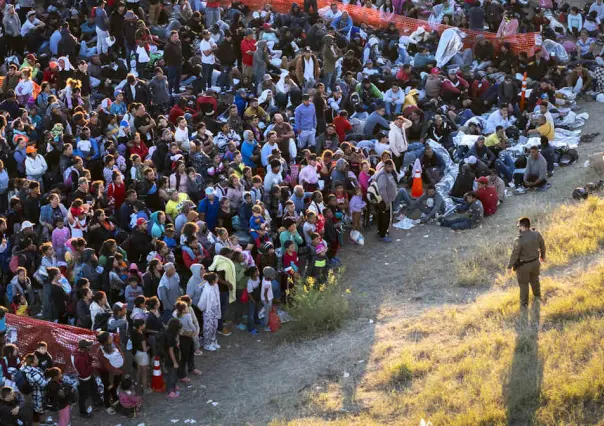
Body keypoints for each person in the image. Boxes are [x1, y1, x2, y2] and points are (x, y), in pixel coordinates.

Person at [507, 217, 546, 307]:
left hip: (523, 266)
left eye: (519, 226)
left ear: (522, 226)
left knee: (524, 284)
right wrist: (542, 256)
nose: (518, 228)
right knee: (535, 280)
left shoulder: (519, 239)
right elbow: (543, 246)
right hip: (536, 263)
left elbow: (515, 254)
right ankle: (537, 296)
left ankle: (524, 305)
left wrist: (509, 266)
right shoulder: (536, 234)